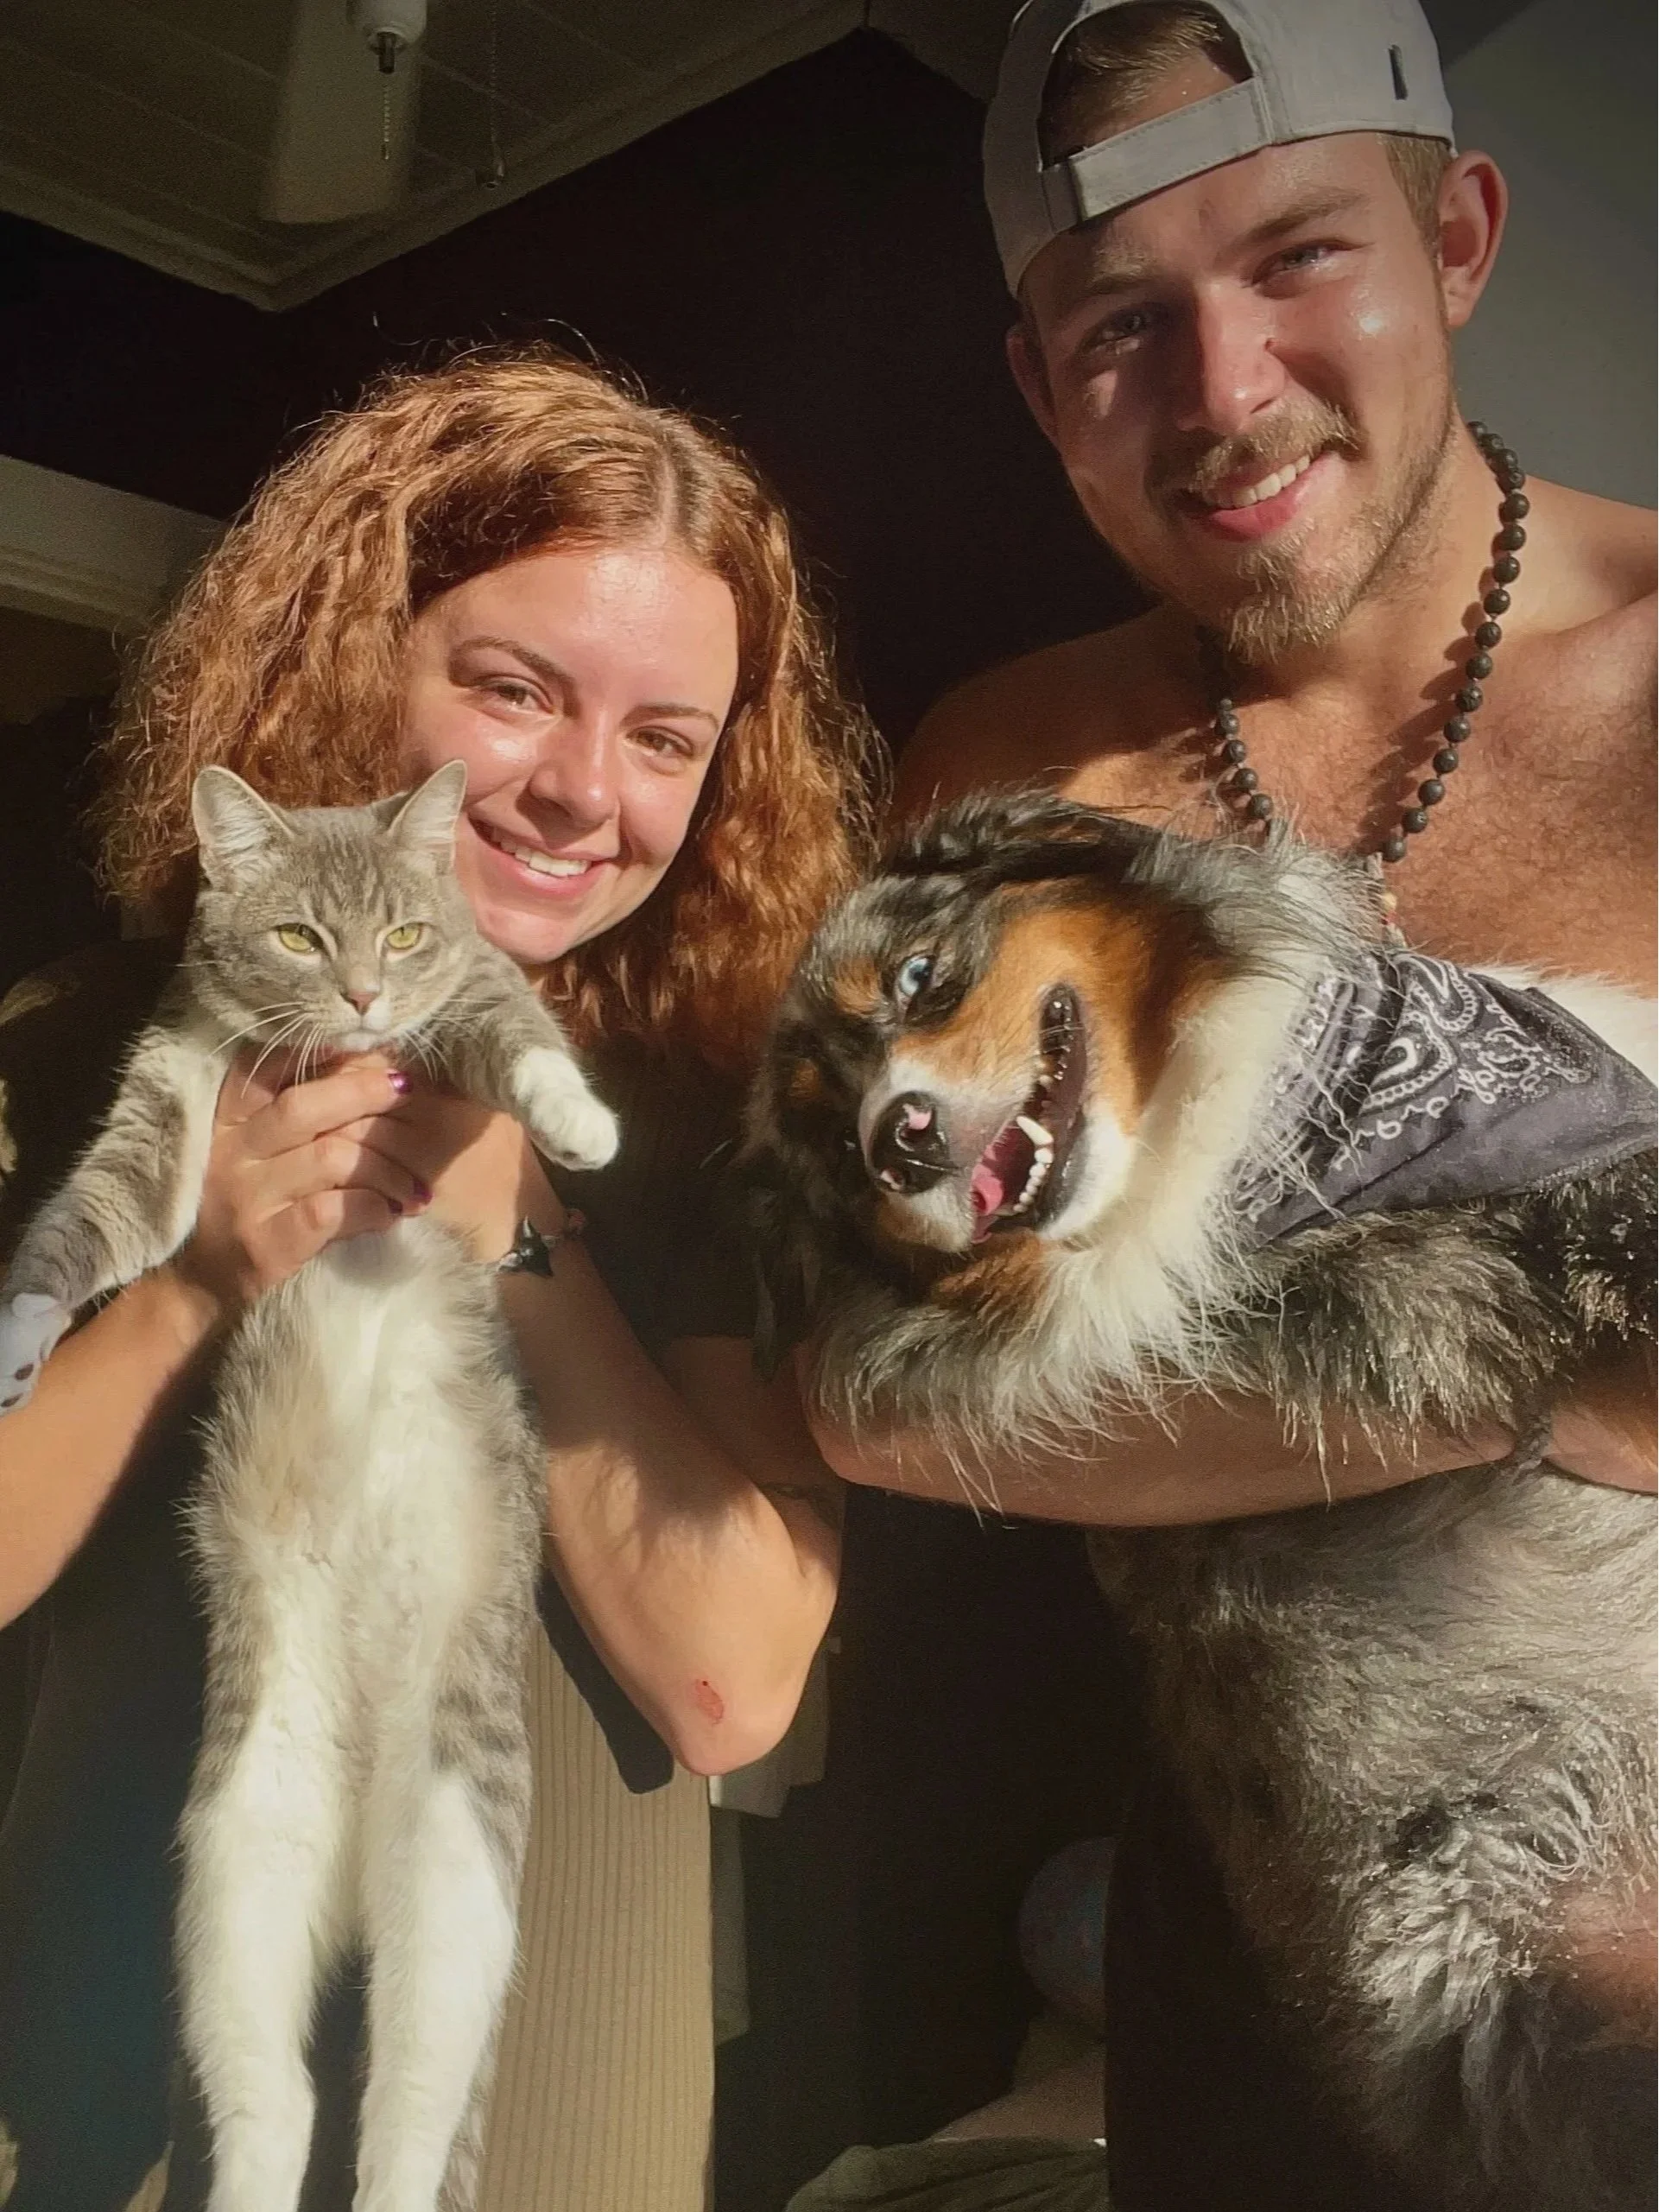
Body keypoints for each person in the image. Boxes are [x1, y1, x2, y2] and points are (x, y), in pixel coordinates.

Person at [796, 2, 1655, 2205]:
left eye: (1297, 255)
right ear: (1035, 382)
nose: (1224, 391)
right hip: (1272, 1981)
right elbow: (885, 1390)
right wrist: (1543, 1364)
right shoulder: (1007, 780)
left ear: (1455, 234)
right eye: (1120, 324)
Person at [0, 348, 867, 2212]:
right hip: (111, 2073)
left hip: (548, 2104)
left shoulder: (732, 1139)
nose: (580, 789)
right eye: (512, 688)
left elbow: (731, 1686)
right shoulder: (75, 1059)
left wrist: (519, 1236)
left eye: (665, 735)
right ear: (349, 666)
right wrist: (190, 1281)